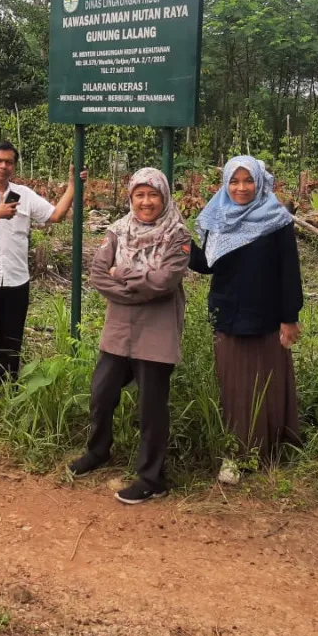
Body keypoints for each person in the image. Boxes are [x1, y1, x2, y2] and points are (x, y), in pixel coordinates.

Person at [68, 168, 192, 505]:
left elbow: (165, 281)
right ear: (131, 198)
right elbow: (97, 274)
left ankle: (153, 478)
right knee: (102, 391)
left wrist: (121, 274)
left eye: (152, 194)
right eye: (140, 194)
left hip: (158, 330)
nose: (146, 201)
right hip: (119, 327)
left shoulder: (178, 235)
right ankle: (98, 451)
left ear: (164, 197)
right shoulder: (117, 231)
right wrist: (140, 287)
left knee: (151, 406)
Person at [190, 155, 303, 482]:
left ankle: (271, 450)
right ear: (225, 183)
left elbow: (289, 272)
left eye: (248, 181)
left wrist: (289, 317)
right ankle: (235, 454)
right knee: (235, 386)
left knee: (268, 382)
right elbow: (210, 264)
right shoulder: (218, 215)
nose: (241, 188)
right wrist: (183, 248)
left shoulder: (277, 219)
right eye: (234, 181)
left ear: (260, 182)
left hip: (267, 316)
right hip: (228, 314)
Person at [0, 141, 84, 398]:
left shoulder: (24, 195)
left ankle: (6, 394)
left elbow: (55, 215)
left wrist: (73, 186)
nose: (4, 166)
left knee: (11, 343)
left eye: (9, 162)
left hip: (16, 281)